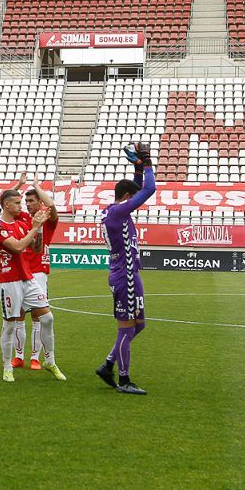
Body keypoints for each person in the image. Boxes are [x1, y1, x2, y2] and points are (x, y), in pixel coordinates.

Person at [94, 143, 156, 394]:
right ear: (128, 199)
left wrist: (138, 168)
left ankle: (108, 365)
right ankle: (124, 379)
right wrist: (148, 161)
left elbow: (139, 187)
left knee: (138, 325)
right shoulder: (119, 212)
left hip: (128, 273)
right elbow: (149, 189)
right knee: (127, 327)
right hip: (126, 275)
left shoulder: (115, 211)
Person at [0, 189, 52, 383]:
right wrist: (34, 227)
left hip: (27, 278)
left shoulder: (20, 224)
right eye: (17, 203)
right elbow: (17, 247)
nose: (21, 206)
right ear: (7, 205)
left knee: (47, 317)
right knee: (10, 326)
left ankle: (50, 361)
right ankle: (7, 366)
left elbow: (36, 247)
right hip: (10, 281)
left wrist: (39, 228)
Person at [10, 174, 62, 376]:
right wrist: (19, 185)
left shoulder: (47, 220)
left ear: (40, 202)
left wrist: (36, 186)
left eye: (32, 201)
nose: (28, 204)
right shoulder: (22, 218)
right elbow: (6, 201)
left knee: (38, 317)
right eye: (26, 201)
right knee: (18, 316)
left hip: (38, 273)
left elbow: (52, 206)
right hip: (20, 271)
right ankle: (19, 356)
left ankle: (35, 357)